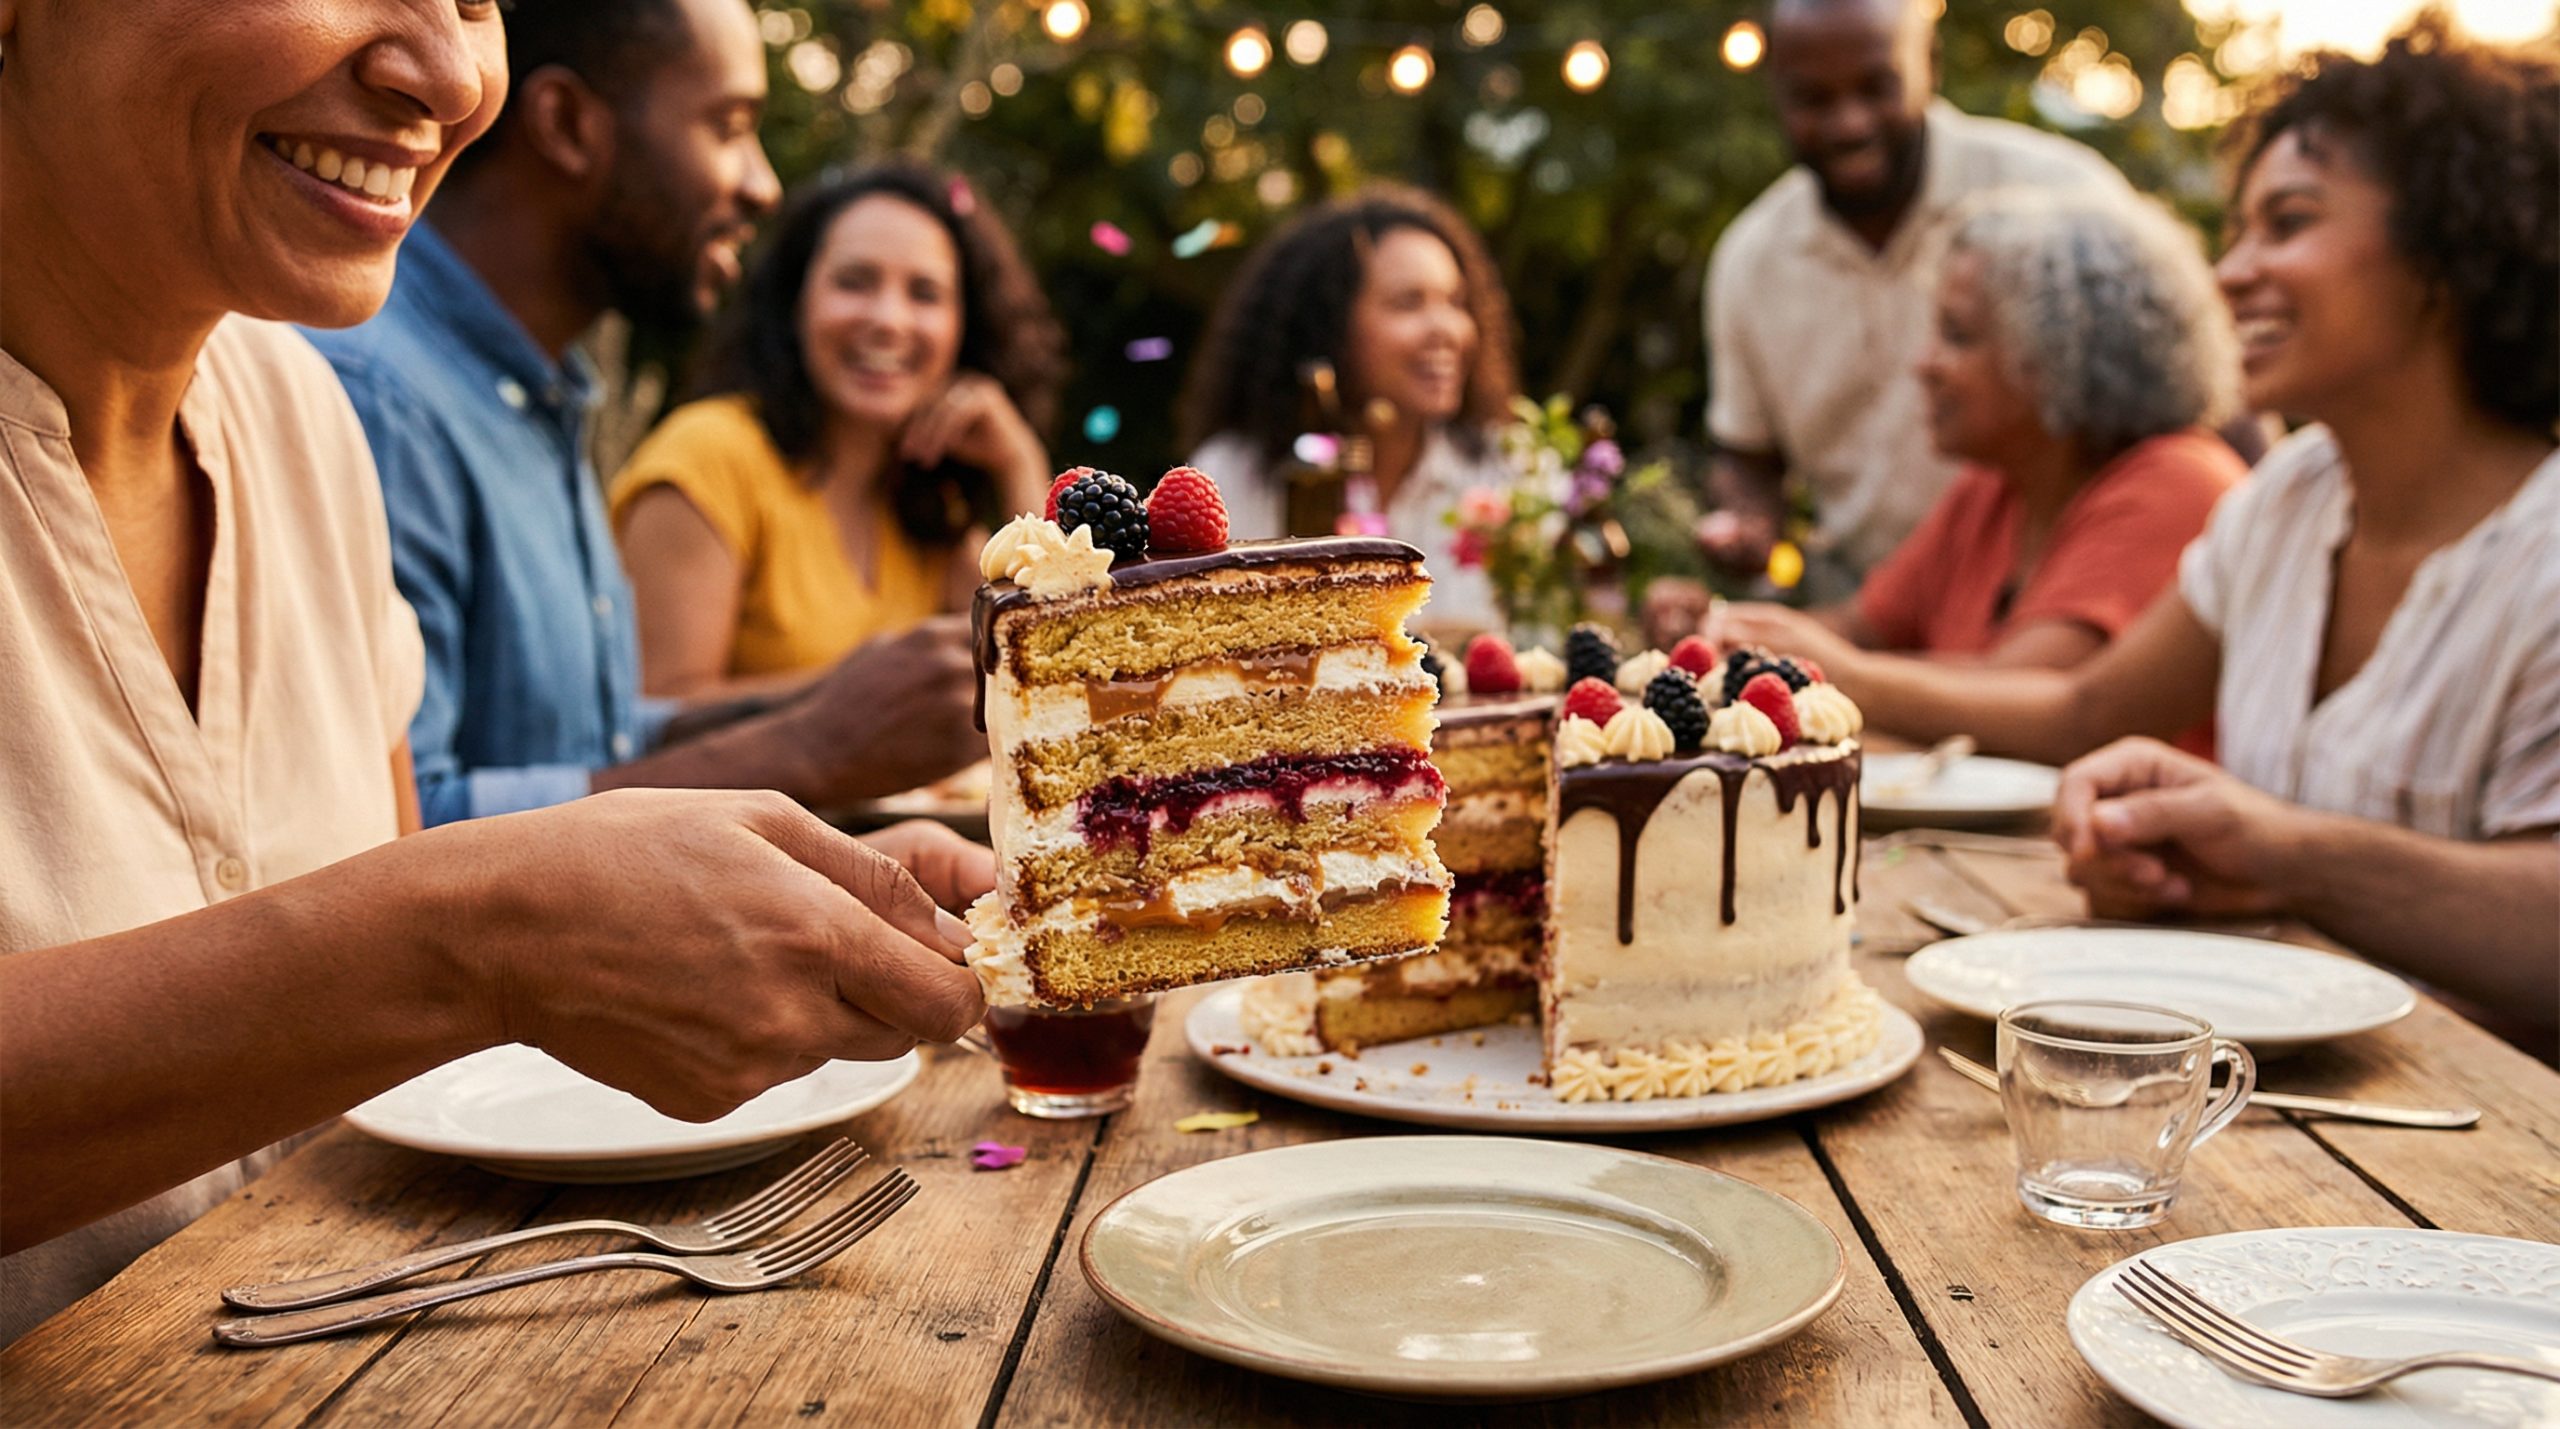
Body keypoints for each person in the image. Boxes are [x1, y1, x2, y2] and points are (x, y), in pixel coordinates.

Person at [0, 0, 986, 1347]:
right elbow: (428, 926)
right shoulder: (394, 395)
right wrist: (480, 935)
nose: (455, 76)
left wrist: (771, 877)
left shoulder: (304, 421)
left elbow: (378, 983)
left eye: (475, 0)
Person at [1782, 21, 2560, 1054]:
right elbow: (2092, 710)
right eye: (2239, 230)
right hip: (2254, 1076)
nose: (2231, 273)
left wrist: (2288, 856)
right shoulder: (2287, 500)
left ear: (2446, 252)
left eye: (2288, 223)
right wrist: (2173, 844)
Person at [306, 0, 982, 826]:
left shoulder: (536, 395)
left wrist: (847, 697)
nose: (762, 184)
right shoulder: (377, 399)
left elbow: (591, 742)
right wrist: (808, 748)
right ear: (568, 126)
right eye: (728, 127)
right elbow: (391, 834)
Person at [1705, 188, 2246, 754]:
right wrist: (1734, 638)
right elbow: (1857, 628)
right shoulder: (1995, 488)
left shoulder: (2177, 483)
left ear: (2056, 362)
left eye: (1957, 335)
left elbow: (2031, 705)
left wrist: (1831, 672)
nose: (1924, 364)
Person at [1688, 0, 2135, 606]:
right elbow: (1748, 456)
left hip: (2058, 591)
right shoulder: (1750, 260)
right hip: (1864, 609)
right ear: (1775, 92)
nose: (1849, 123)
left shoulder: (2063, 197)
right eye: (1813, 99)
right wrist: (1747, 523)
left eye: (1877, 87)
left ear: (1929, 64)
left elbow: (2185, 406)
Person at [610, 165, 1064, 700]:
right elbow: (654, 715)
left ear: (966, 327)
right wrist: (875, 688)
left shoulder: (927, 506)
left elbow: (1049, 666)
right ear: (795, 300)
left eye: (924, 293)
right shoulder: (708, 454)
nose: (888, 319)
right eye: (854, 282)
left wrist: (1018, 460)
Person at [1180, 185, 1522, 632]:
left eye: (1456, 302)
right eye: (1409, 303)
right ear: (1327, 325)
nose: (1447, 330)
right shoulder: (1233, 476)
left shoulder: (1510, 470)